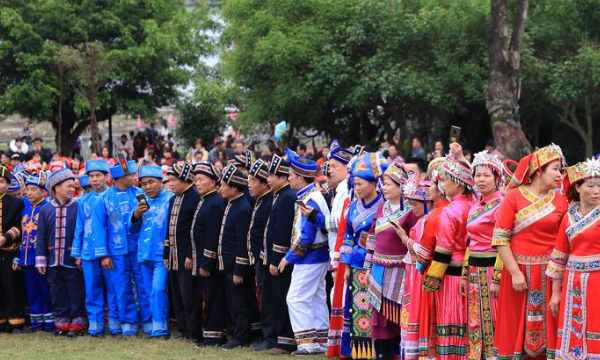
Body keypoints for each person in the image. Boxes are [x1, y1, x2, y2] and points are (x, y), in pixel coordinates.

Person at [492, 144, 568, 360]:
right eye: (555, 168)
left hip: (550, 275)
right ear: (538, 170)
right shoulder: (513, 197)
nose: (560, 174)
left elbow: (563, 243)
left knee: (550, 330)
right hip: (518, 275)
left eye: (561, 169)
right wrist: (515, 272)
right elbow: (500, 238)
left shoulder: (562, 201)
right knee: (515, 327)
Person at [277, 149, 331, 355]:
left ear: (300, 177)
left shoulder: (309, 199)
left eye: (291, 174)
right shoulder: (312, 195)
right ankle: (321, 340)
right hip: (317, 256)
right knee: (315, 296)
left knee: (296, 298)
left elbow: (306, 237)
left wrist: (288, 258)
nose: (288, 177)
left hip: (310, 257)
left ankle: (307, 343)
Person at [422, 153, 475, 360]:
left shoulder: (449, 212)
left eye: (445, 180)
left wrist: (432, 279)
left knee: (451, 320)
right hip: (471, 270)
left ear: (459, 184)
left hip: (451, 274)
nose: (443, 184)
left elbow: (443, 250)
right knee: (467, 321)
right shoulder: (474, 205)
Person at [547, 158, 600, 359]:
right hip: (572, 282)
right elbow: (559, 255)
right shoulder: (569, 216)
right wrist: (555, 292)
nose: (596, 191)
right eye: (591, 185)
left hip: (597, 282)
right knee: (573, 331)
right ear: (577, 187)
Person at [363, 161, 417, 360]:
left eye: (387, 184)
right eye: (383, 183)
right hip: (378, 269)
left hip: (400, 271)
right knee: (379, 317)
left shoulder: (412, 211)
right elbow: (372, 238)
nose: (382, 187)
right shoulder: (382, 207)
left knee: (399, 315)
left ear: (401, 187)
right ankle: (382, 355)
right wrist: (368, 266)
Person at [93, 157, 151, 336]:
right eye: (131, 174)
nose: (135, 177)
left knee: (144, 285)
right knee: (122, 287)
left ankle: (149, 322)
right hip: (116, 251)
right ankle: (129, 322)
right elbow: (99, 228)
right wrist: (103, 255)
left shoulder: (140, 193)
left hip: (139, 249)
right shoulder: (103, 199)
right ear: (119, 177)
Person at [339, 152, 388, 359]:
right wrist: (346, 267)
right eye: (355, 184)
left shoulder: (384, 206)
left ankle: (378, 351)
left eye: (360, 184)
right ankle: (359, 352)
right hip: (357, 265)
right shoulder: (352, 207)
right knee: (356, 308)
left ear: (373, 183)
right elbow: (348, 236)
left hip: (377, 265)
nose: (357, 188)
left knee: (374, 309)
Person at [462, 151, 504, 360]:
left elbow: (504, 244)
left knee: (494, 320)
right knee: (474, 321)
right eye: (478, 175)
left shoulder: (501, 206)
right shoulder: (474, 206)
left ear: (497, 179)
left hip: (491, 273)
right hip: (474, 273)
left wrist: (496, 278)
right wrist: (464, 275)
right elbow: (470, 243)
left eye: (487, 175)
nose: (481, 179)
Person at [71, 159, 121, 336]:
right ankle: (96, 324)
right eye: (91, 176)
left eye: (98, 175)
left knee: (113, 289)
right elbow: (79, 228)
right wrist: (77, 254)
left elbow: (116, 226)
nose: (94, 179)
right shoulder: (84, 200)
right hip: (88, 252)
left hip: (111, 252)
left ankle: (115, 324)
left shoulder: (114, 197)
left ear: (107, 177)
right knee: (92, 289)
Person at [35, 168, 85, 336]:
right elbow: (40, 236)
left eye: (74, 186)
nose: (72, 189)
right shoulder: (46, 210)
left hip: (71, 260)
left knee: (75, 291)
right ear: (56, 188)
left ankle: (77, 323)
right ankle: (61, 322)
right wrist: (41, 259)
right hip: (52, 261)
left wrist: (80, 255)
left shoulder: (78, 207)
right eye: (68, 186)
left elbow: (83, 233)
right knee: (57, 292)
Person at [128, 165, 174, 339]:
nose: (148, 187)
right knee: (148, 291)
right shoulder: (140, 201)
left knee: (158, 289)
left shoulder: (170, 199)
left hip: (162, 255)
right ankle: (156, 325)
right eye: (144, 183)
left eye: (151, 182)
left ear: (161, 182)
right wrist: (136, 215)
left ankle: (162, 328)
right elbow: (131, 228)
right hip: (144, 253)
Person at [216, 164, 259, 349]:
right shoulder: (232, 203)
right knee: (235, 301)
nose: (220, 188)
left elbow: (243, 242)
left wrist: (240, 270)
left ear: (234, 187)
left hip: (236, 265)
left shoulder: (242, 208)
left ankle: (242, 338)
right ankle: (241, 333)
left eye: (223, 185)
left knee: (240, 303)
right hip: (228, 264)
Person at [261, 153, 297, 354]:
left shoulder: (286, 197)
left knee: (282, 298)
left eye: (272, 175)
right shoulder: (280, 195)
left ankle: (285, 341)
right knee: (276, 298)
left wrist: (275, 260)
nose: (268, 179)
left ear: (283, 178)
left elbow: (282, 233)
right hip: (276, 258)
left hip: (281, 260)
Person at [163, 162, 202, 344]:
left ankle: (194, 331)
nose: (170, 184)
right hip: (173, 256)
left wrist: (191, 255)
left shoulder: (194, 198)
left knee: (190, 295)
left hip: (187, 256)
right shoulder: (173, 199)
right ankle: (184, 328)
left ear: (185, 179)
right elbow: (167, 230)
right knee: (177, 294)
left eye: (173, 180)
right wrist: (165, 254)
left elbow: (196, 231)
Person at [14, 172, 54, 332]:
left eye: (33, 189)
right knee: (32, 291)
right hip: (26, 257)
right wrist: (17, 257)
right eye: (27, 189)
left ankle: (50, 321)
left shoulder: (48, 207)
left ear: (43, 192)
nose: (29, 192)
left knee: (45, 290)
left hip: (41, 258)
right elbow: (22, 235)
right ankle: (36, 322)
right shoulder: (25, 208)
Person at [193, 162, 226, 346]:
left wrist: (206, 262)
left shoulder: (214, 202)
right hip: (202, 259)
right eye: (195, 180)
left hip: (210, 262)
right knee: (209, 295)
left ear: (213, 182)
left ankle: (215, 335)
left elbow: (212, 236)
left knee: (214, 297)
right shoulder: (206, 199)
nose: (197, 183)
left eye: (201, 180)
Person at [245, 160, 276, 351]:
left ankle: (271, 337)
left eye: (252, 180)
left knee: (269, 299)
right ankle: (266, 335)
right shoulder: (260, 201)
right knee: (262, 297)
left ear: (264, 183)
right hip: (259, 259)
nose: (248, 183)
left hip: (266, 259)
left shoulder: (269, 201)